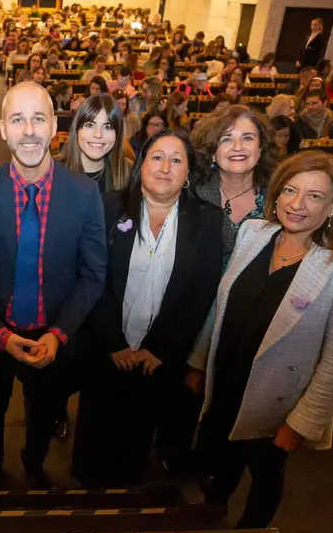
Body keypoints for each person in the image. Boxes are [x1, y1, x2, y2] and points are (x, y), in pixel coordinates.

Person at [188, 150, 333, 529]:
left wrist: (302, 423)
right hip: (227, 378)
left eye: (314, 196)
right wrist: (198, 361)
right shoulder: (254, 233)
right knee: (221, 458)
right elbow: (221, 305)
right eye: (290, 191)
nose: (296, 205)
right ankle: (214, 509)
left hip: (277, 402)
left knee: (264, 473)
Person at [0, 82, 107, 489]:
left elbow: (92, 275)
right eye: (18, 119)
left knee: (42, 410)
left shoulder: (83, 194)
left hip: (53, 337)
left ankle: (34, 463)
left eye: (38, 119)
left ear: (55, 126)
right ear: (3, 129)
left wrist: (58, 335)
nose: (28, 130)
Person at [72, 129, 224, 486]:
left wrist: (161, 348)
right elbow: (92, 277)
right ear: (141, 164)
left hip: (159, 357)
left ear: (188, 173)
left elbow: (201, 291)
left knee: (137, 443)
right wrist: (114, 343)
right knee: (96, 434)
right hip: (107, 348)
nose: (165, 167)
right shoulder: (107, 207)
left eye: (177, 160)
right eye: (157, 157)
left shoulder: (207, 220)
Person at [191, 104, 276, 260]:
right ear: (212, 153)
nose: (238, 147)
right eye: (226, 139)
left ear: (261, 148)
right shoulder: (191, 196)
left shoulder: (280, 199)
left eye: (248, 138)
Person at [60, 94, 131, 195]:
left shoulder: (130, 173)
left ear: (117, 134)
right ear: (77, 130)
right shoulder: (51, 172)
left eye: (108, 127)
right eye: (90, 125)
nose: (98, 134)